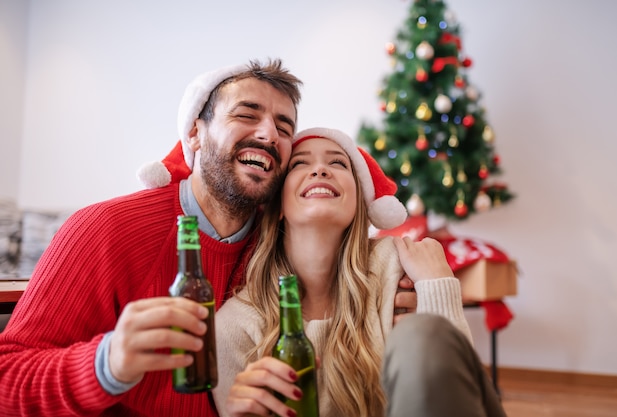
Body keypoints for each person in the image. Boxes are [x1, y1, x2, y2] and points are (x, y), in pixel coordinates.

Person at [0, 60, 417, 417]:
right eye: (247, 114)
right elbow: (7, 378)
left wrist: (400, 290)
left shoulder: (282, 242)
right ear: (195, 133)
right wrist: (106, 364)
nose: (269, 134)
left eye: (284, 126)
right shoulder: (103, 230)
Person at [213, 128, 505, 417]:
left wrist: (438, 285)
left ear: (359, 203)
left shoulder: (400, 264)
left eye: (337, 163)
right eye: (300, 163)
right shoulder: (233, 328)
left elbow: (453, 388)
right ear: (277, 206)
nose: (320, 171)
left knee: (422, 334)